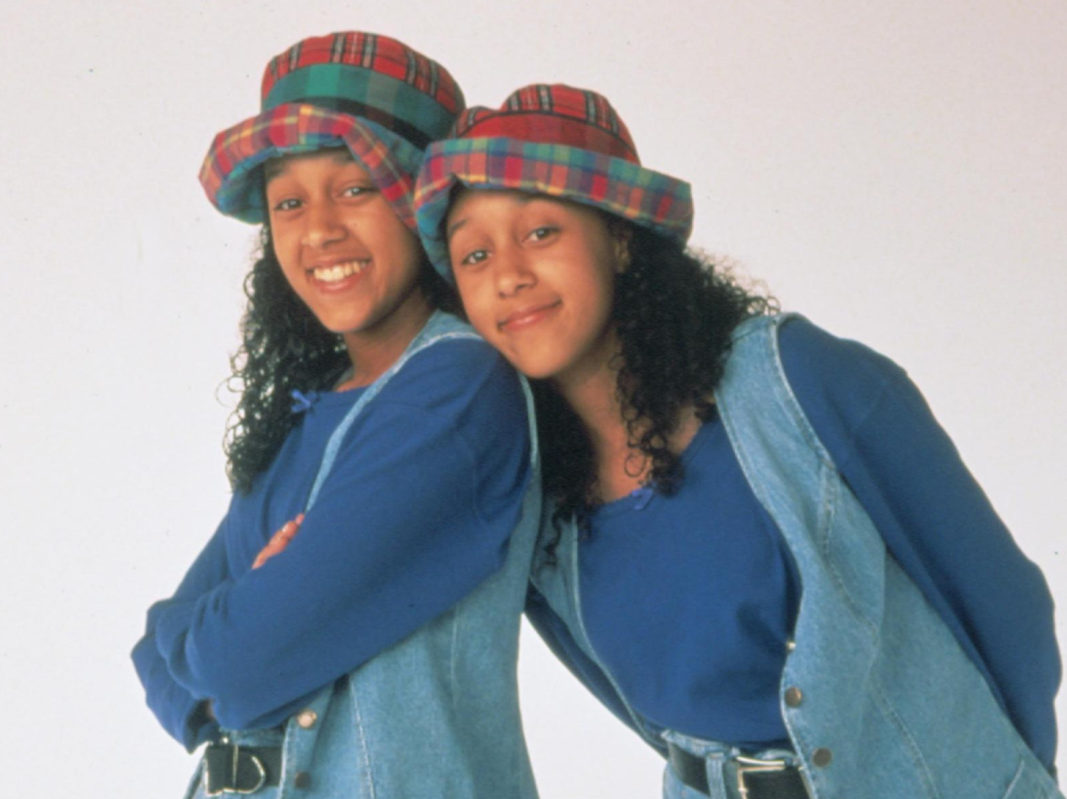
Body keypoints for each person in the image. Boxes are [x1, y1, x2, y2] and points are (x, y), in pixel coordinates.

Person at [414, 84, 1063, 798]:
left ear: (620, 238)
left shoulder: (796, 381)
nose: (508, 275)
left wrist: (1010, 779)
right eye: (473, 255)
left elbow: (1005, 607)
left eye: (541, 232)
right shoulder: (532, 495)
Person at [131, 33, 541, 799]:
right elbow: (153, 654)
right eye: (289, 202)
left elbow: (232, 658)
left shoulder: (455, 387)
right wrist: (223, 635)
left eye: (355, 189)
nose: (317, 229)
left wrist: (222, 641)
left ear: (425, 208)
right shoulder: (315, 401)